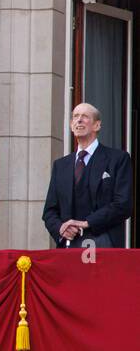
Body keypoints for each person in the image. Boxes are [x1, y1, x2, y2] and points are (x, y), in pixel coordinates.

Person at [42, 102, 134, 248]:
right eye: (75, 117)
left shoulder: (118, 159)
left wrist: (86, 223)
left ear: (97, 125)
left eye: (85, 117)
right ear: (72, 125)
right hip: (68, 246)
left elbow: (123, 205)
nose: (79, 120)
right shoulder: (60, 165)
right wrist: (61, 229)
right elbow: (50, 211)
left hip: (104, 242)